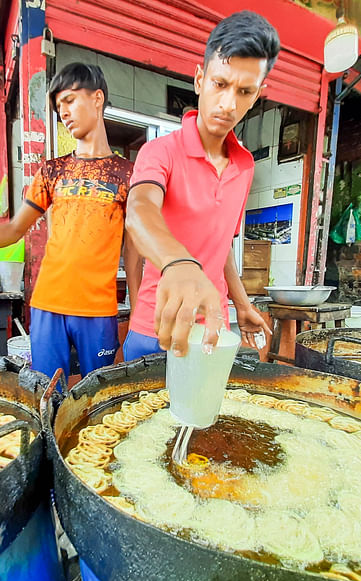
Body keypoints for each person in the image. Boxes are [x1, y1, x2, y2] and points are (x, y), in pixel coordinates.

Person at [0, 63, 137, 382]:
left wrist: (138, 307)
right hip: (48, 304)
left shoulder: (127, 174)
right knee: (47, 392)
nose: (64, 111)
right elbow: (12, 230)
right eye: (59, 105)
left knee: (96, 394)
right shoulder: (51, 171)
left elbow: (133, 249)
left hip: (98, 309)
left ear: (97, 98)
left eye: (71, 100)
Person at [123, 10, 278, 363]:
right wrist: (179, 263)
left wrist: (242, 305)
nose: (228, 103)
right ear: (199, 79)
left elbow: (221, 245)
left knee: (206, 418)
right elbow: (139, 211)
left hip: (212, 330)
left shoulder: (244, 166)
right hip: (155, 327)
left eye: (244, 91)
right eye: (220, 84)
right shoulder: (160, 151)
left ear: (257, 95)